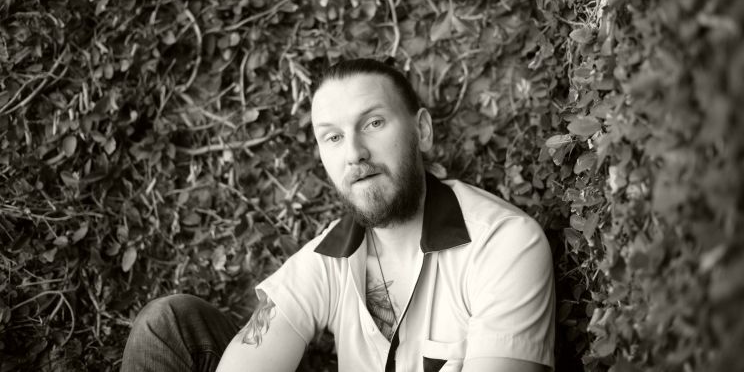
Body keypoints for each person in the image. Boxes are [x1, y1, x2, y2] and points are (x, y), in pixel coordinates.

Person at [121, 58, 555, 372]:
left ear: (421, 130)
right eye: (332, 137)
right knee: (169, 323)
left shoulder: (503, 243)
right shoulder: (328, 257)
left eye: (373, 124)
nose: (354, 153)